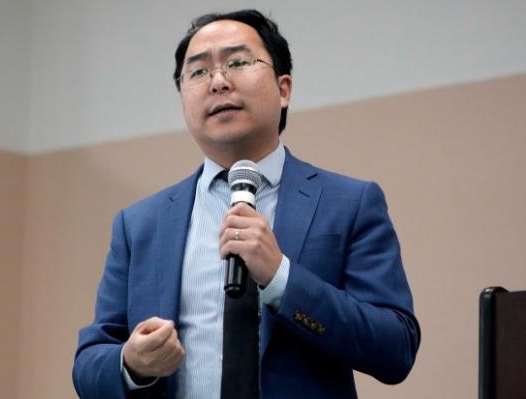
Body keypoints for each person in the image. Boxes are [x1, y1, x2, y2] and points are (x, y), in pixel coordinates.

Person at [73, 9, 420, 399]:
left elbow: (395, 349)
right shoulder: (140, 224)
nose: (218, 81)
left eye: (237, 62)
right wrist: (132, 364)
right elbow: (89, 364)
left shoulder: (350, 203)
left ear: (283, 87)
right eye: (198, 71)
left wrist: (282, 278)